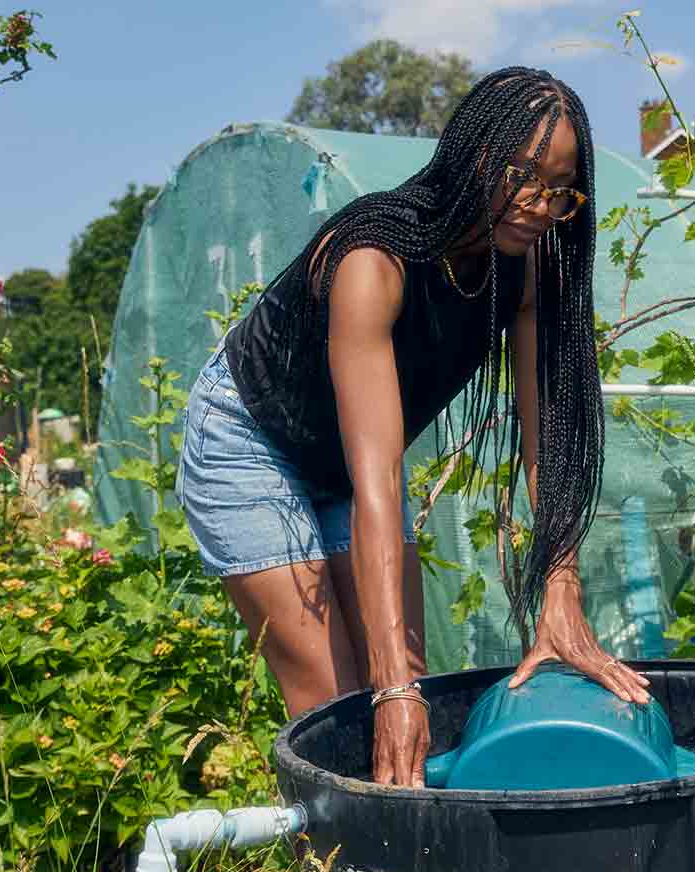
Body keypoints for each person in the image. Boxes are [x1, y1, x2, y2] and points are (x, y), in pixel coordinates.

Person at [175, 67, 649, 789]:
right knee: (340, 710)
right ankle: (329, 860)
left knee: (410, 687)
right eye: (522, 177)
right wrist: (391, 691)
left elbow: (546, 445)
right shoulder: (374, 260)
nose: (539, 205)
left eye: (560, 191)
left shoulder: (525, 270)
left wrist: (560, 590)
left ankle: (413, 859)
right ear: (474, 156)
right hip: (254, 440)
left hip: (348, 459)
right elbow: (377, 486)